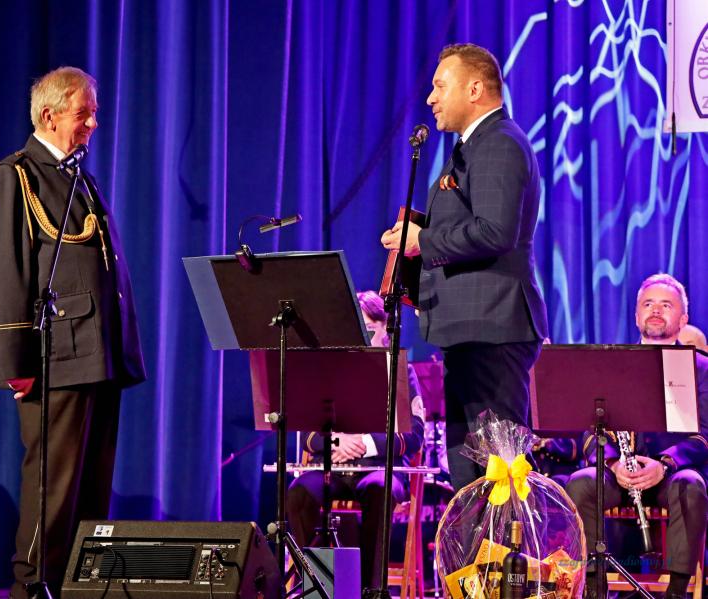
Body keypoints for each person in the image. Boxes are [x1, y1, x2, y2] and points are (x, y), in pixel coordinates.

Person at [0, 66, 146, 595]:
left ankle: (78, 586)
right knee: (52, 489)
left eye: (93, 113)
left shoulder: (80, 179)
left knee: (91, 492)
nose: (93, 123)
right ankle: (32, 588)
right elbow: (3, 270)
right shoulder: (17, 175)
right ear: (49, 116)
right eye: (83, 114)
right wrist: (16, 362)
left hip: (98, 355)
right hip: (55, 358)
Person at [380, 43, 548, 490]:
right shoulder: (473, 147)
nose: (431, 97)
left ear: (474, 89)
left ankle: (510, 542)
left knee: (500, 478)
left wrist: (422, 241)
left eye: (440, 86)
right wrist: (415, 241)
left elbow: (495, 231)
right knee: (471, 479)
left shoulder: (499, 143)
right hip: (472, 331)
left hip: (494, 329)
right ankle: (480, 543)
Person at [565, 274, 708, 599]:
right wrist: (613, 463)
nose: (655, 310)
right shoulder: (611, 364)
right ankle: (594, 587)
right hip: (619, 473)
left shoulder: (700, 367)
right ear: (636, 315)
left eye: (666, 305)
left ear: (683, 319)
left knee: (692, 486)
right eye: (648, 304)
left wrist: (665, 464)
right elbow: (589, 430)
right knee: (581, 483)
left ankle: (677, 592)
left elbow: (705, 434)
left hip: (673, 475)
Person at [286, 290, 426, 589]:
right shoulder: (329, 368)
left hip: (380, 468)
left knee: (379, 489)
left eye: (369, 330)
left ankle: (369, 591)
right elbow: (307, 434)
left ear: (385, 330)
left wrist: (364, 443)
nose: (362, 338)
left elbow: (414, 435)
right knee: (298, 493)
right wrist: (336, 442)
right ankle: (316, 587)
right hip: (333, 467)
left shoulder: (401, 369)